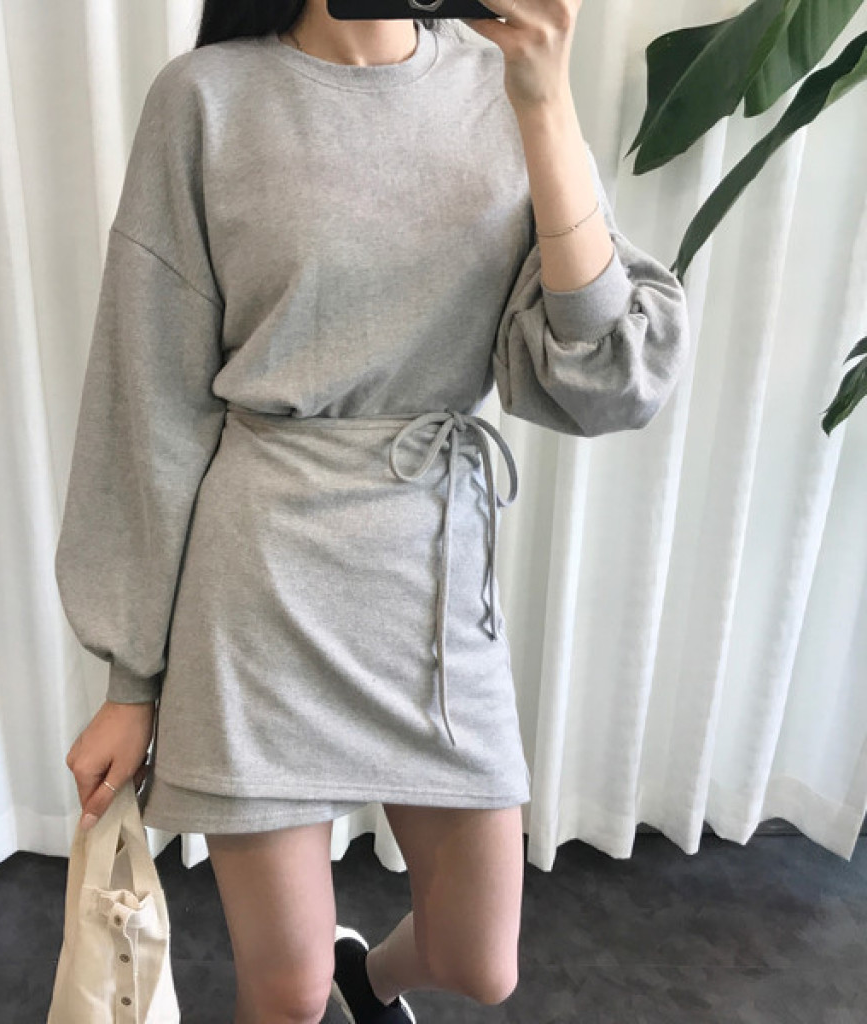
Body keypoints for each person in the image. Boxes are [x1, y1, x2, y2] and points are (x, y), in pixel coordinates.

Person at [57, 1, 690, 1021]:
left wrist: (543, 101)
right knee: (286, 990)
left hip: (431, 579)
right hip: (259, 581)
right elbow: (151, 396)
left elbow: (610, 372)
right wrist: (132, 681)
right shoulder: (206, 99)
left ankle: (370, 979)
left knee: (480, 960)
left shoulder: (503, 89)